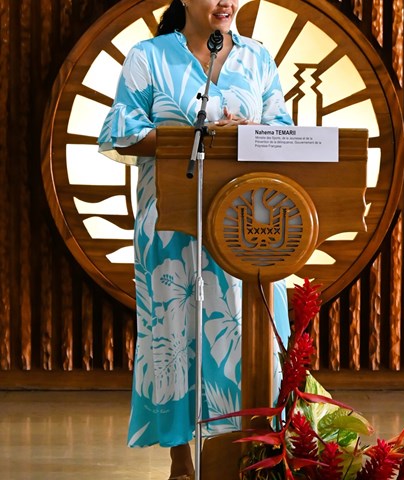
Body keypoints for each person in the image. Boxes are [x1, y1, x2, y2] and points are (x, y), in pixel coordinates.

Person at [97, 1, 293, 478]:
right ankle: (181, 460)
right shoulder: (148, 56)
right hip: (171, 224)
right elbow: (122, 132)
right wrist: (196, 135)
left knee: (251, 337)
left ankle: (256, 456)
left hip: (248, 224)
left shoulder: (258, 58)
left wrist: (252, 133)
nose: (226, 2)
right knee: (175, 333)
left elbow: (284, 131)